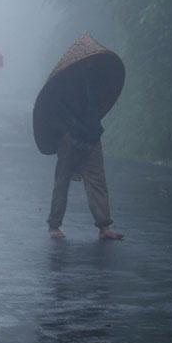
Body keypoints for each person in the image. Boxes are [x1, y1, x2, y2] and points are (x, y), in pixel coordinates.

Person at [46, 65, 124, 240]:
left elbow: (100, 104)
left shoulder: (94, 80)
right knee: (63, 180)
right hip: (70, 137)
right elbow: (55, 111)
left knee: (96, 179)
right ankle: (54, 225)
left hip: (90, 135)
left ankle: (104, 226)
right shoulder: (62, 84)